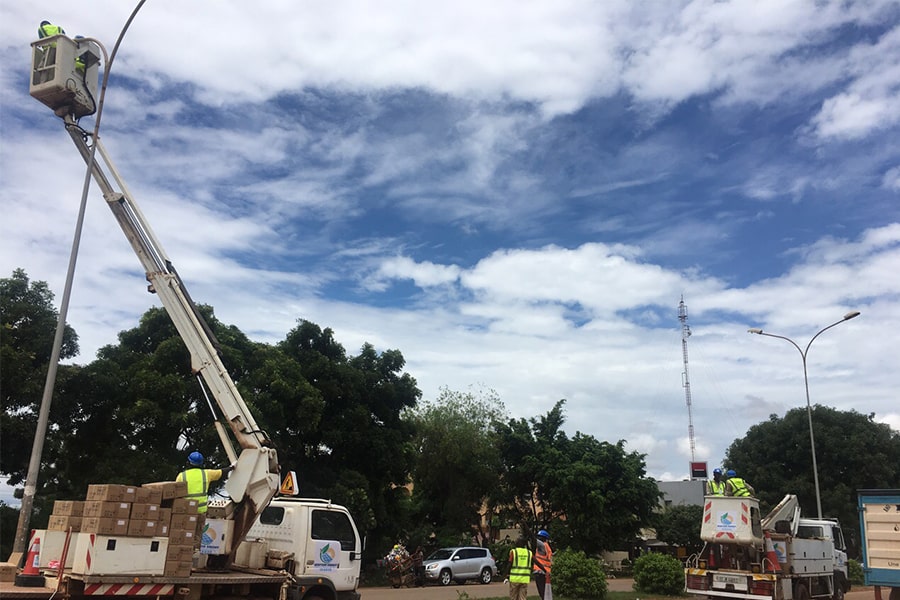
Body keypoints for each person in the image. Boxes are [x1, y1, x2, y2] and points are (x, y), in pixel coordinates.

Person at [176, 451, 234, 540]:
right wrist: (232, 467)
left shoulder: (181, 476)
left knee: (185, 534)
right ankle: (196, 551)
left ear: (189, 462)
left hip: (186, 511)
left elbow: (176, 493)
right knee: (198, 535)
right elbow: (222, 472)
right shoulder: (206, 474)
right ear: (201, 463)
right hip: (201, 512)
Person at [532, 529, 553, 600]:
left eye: (540, 537)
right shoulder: (547, 547)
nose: (538, 538)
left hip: (540, 572)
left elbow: (532, 538)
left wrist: (525, 527)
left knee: (542, 592)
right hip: (546, 572)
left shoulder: (542, 545)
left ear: (544, 538)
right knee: (545, 592)